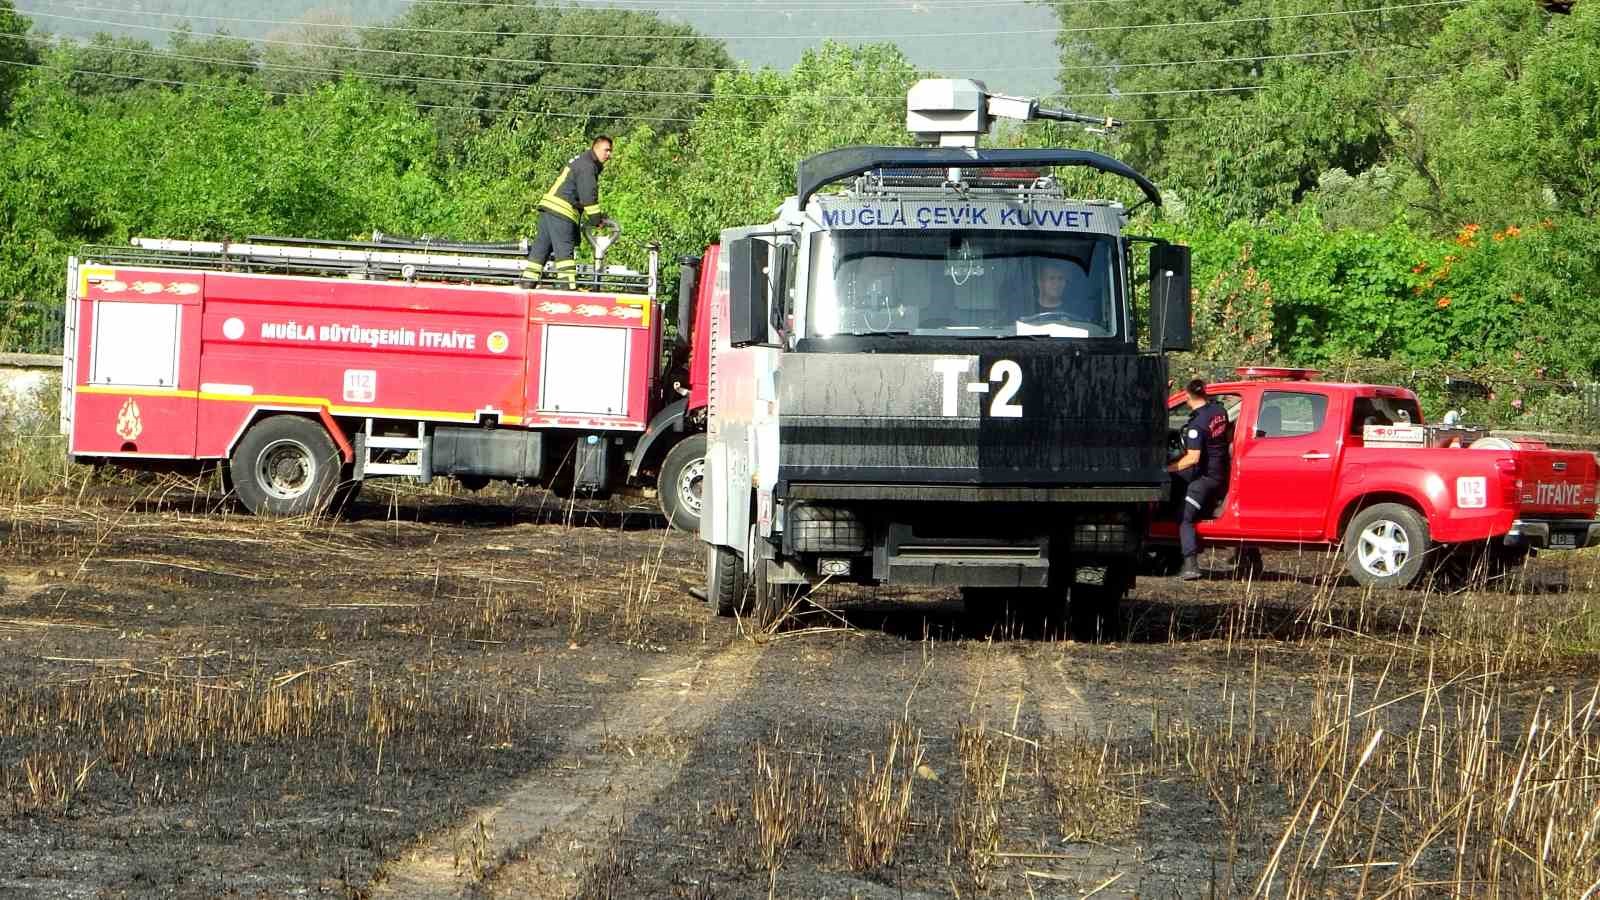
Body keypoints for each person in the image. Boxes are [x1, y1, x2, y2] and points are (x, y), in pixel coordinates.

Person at [527, 135, 613, 289]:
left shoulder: (580, 161)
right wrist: (596, 220)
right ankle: (566, 288)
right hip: (562, 212)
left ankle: (527, 283)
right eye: (606, 150)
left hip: (548, 209)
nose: (609, 155)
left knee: (539, 252)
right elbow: (588, 196)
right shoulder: (588, 166)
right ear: (596, 147)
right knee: (565, 253)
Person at [1167, 378, 1230, 580]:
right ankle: (1250, 557)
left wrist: (1165, 469)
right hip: (1219, 471)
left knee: (1184, 519)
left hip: (1206, 477)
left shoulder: (1197, 424)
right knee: (1179, 482)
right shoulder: (1219, 411)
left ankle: (1190, 565)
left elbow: (1192, 459)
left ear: (1187, 397)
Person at [1029, 260, 1099, 324]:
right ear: (1040, 282)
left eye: (1060, 278)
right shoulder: (1029, 309)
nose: (1057, 283)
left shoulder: (1076, 311)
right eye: (1051, 278)